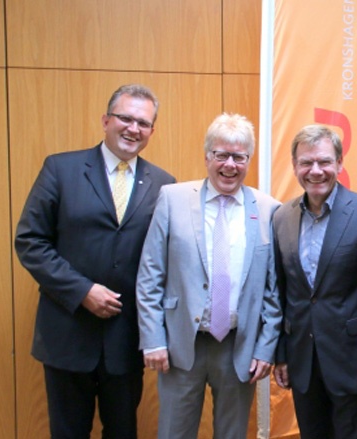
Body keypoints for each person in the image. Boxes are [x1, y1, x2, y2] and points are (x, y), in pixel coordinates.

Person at [14, 84, 176, 438]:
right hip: (67, 332)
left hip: (127, 339)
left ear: (152, 131)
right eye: (125, 118)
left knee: (122, 432)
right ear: (105, 120)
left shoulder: (164, 185)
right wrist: (82, 290)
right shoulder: (61, 169)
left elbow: (166, 261)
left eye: (143, 123)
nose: (133, 129)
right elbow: (30, 241)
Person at [136, 113, 281, 439]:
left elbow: (273, 290)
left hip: (238, 347)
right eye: (221, 155)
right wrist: (153, 339)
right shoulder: (172, 199)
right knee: (173, 433)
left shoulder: (269, 209)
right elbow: (150, 274)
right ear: (206, 157)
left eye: (239, 157)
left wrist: (265, 348)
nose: (230, 165)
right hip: (180, 343)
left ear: (248, 160)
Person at [272, 125, 357, 438]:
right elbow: (282, 294)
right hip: (303, 363)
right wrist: (282, 355)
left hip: (355, 364)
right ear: (294, 166)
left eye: (324, 161)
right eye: (306, 162)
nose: (316, 171)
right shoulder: (282, 217)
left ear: (339, 163)